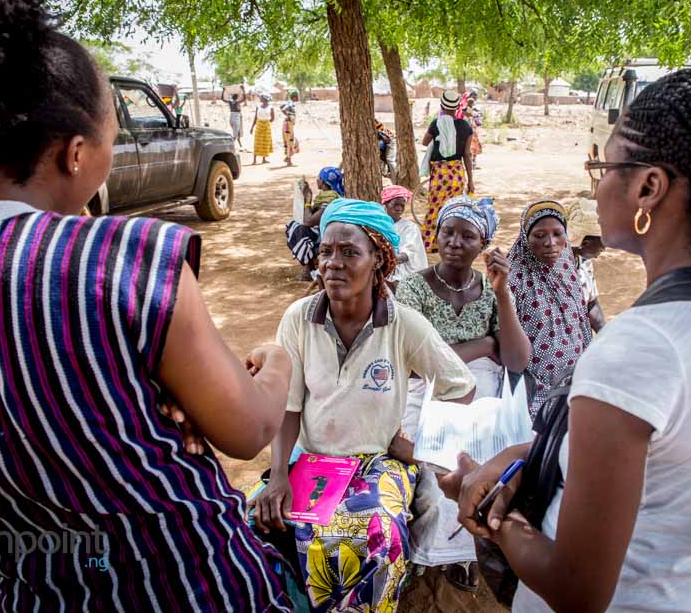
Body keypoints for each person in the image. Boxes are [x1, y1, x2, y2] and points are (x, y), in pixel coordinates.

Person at [0, 0, 292, 611]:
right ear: (75, 153)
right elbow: (250, 426)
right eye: (113, 141)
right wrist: (275, 361)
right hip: (188, 584)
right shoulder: (122, 259)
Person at [442, 66, 691, 612]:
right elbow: (664, 455)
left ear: (648, 187)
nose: (595, 184)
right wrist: (523, 453)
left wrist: (490, 514)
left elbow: (578, 587)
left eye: (602, 166)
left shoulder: (636, 348)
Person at [251, 198, 478, 612]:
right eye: (326, 251)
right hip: (311, 461)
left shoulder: (404, 324)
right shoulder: (299, 319)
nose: (333, 263)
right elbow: (288, 406)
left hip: (376, 463)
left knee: (376, 537)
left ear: (380, 259)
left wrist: (422, 446)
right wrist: (280, 474)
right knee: (251, 525)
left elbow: (459, 386)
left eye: (350, 252)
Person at [393, 196, 531, 591]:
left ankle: (470, 551)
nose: (454, 241)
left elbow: (517, 359)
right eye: (447, 232)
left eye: (467, 235)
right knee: (434, 464)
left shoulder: (489, 292)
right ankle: (436, 552)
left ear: (483, 243)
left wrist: (503, 294)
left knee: (484, 461)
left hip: (480, 384)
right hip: (426, 385)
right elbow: (417, 360)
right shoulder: (414, 287)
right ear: (434, 236)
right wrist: (484, 344)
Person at [506, 200, 593, 416]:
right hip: (536, 388)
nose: (550, 243)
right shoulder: (512, 278)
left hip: (578, 380)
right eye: (539, 235)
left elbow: (583, 319)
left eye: (557, 234)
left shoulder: (568, 269)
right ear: (525, 237)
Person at [420, 90, 475, 252]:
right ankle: (450, 243)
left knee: (434, 207)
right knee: (453, 210)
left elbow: (424, 142)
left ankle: (430, 243)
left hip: (439, 173)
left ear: (442, 105)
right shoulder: (466, 126)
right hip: (457, 173)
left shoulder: (436, 123)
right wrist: (470, 181)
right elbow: (467, 154)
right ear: (458, 106)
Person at [285, 166, 345, 281]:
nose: (317, 180)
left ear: (322, 181)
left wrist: (308, 200)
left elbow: (308, 221)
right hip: (332, 233)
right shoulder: (330, 196)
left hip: (329, 238)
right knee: (295, 226)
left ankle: (308, 269)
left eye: (318, 178)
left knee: (297, 229)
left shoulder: (329, 200)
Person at [565, 197, 607, 332]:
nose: (605, 248)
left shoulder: (584, 262)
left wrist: (605, 336)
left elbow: (591, 304)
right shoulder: (556, 268)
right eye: (602, 244)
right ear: (585, 244)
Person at [381, 185, 427, 286]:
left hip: (404, 270)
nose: (399, 208)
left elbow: (407, 255)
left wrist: (387, 260)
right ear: (385, 204)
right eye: (395, 204)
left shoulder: (410, 228)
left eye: (402, 205)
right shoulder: (379, 225)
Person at [460, 89, 483, 169]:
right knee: (469, 147)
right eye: (473, 96)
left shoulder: (469, 108)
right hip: (467, 130)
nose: (474, 98)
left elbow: (479, 121)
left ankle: (472, 162)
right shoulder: (464, 108)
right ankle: (470, 162)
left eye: (475, 97)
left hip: (471, 130)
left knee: (472, 146)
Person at [250, 93, 275, 165]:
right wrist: (252, 127)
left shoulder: (271, 107)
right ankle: (254, 160)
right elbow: (255, 117)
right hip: (259, 125)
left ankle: (264, 159)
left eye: (262, 98)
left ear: (266, 99)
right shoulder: (258, 107)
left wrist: (266, 122)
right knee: (257, 142)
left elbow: (273, 118)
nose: (261, 99)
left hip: (267, 126)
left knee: (265, 142)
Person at [221, 84, 247, 151]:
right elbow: (245, 98)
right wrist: (243, 89)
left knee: (237, 132)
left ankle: (240, 144)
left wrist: (223, 90)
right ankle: (229, 146)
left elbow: (222, 99)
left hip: (231, 117)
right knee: (235, 134)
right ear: (237, 97)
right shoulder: (237, 103)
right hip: (236, 117)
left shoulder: (230, 102)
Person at [282, 91, 299, 167]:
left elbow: (281, 106)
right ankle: (289, 161)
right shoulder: (290, 103)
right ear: (294, 97)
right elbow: (283, 109)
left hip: (288, 124)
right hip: (288, 125)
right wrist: (289, 115)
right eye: (297, 96)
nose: (298, 98)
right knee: (290, 141)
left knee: (289, 141)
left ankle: (287, 157)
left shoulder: (290, 103)